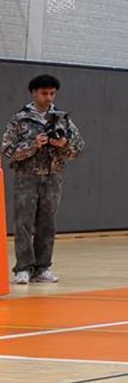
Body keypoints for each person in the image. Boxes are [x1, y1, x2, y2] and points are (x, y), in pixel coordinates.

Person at [4, 74, 85, 285]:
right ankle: (23, 268)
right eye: (44, 93)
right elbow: (7, 150)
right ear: (34, 93)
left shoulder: (62, 119)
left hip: (53, 177)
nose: (49, 97)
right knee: (23, 223)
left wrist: (64, 145)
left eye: (52, 93)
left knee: (47, 224)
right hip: (26, 177)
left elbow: (78, 149)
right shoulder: (20, 119)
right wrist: (33, 145)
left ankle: (42, 267)